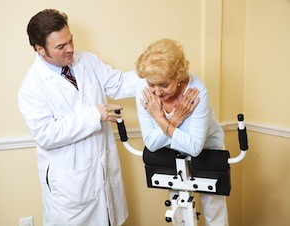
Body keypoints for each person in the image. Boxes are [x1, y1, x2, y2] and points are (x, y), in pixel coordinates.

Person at [18, 9, 143, 226]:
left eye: (71, 40)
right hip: (71, 188)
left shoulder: (88, 61)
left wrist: (157, 75)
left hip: (102, 174)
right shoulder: (31, 87)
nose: (71, 49)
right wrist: (95, 115)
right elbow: (46, 135)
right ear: (40, 49)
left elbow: (120, 82)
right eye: (61, 46)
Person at [135, 39, 229, 226]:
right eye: (152, 85)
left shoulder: (197, 91)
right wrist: (173, 120)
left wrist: (161, 122)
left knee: (214, 209)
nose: (157, 92)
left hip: (208, 149)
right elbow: (152, 144)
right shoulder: (144, 91)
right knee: (178, 207)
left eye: (163, 85)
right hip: (172, 151)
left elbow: (194, 147)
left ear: (178, 76)